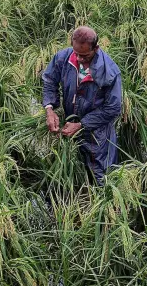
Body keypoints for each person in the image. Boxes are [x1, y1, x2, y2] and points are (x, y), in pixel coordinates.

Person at [41, 26, 122, 186]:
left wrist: (81, 125)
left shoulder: (109, 72)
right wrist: (49, 109)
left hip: (97, 133)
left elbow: (113, 108)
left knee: (102, 177)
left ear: (96, 48)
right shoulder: (63, 58)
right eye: (76, 53)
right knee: (71, 172)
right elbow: (49, 80)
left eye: (84, 55)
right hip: (69, 124)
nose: (78, 59)